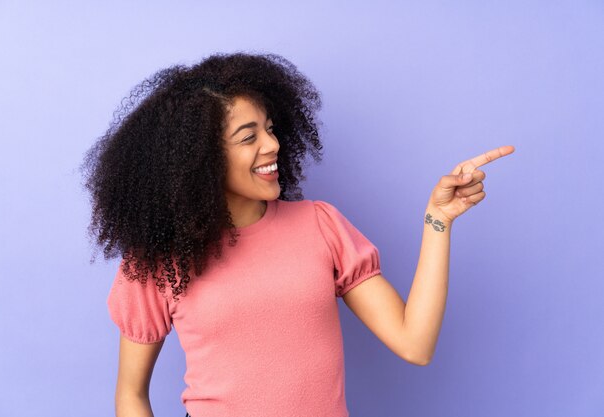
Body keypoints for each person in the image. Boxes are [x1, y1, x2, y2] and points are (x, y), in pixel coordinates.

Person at [81, 51, 515, 417]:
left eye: (269, 129)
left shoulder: (319, 225)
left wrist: (438, 220)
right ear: (201, 158)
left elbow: (414, 344)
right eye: (248, 137)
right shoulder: (160, 259)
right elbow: (131, 394)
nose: (272, 145)